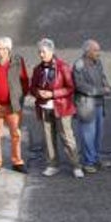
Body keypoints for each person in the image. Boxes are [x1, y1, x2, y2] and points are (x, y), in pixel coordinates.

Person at [31, 39, 83, 179]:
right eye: (39, 52)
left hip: (62, 108)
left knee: (67, 137)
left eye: (44, 52)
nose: (41, 55)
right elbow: (32, 88)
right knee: (48, 138)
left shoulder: (63, 67)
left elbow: (71, 88)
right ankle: (52, 165)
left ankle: (76, 165)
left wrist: (52, 94)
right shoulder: (37, 69)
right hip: (44, 108)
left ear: (51, 51)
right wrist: (38, 93)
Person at [0, 36, 31, 175]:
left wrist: (20, 99)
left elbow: (24, 80)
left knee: (15, 134)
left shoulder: (17, 61)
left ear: (7, 49)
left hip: (12, 106)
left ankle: (17, 162)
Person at [72, 39, 111, 174]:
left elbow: (103, 77)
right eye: (95, 50)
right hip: (86, 106)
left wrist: (106, 85)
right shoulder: (79, 65)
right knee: (88, 135)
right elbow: (81, 86)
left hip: (99, 104)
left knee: (98, 134)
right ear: (87, 52)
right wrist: (101, 90)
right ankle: (88, 162)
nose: (98, 53)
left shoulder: (97, 62)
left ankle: (95, 158)